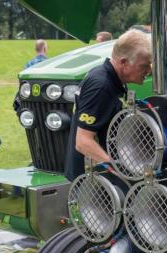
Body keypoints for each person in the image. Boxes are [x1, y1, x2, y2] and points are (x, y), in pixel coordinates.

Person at [64, 29, 152, 181]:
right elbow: (83, 142)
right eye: (144, 65)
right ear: (124, 63)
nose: (149, 70)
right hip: (92, 184)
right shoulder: (101, 86)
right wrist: (119, 172)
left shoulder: (113, 79)